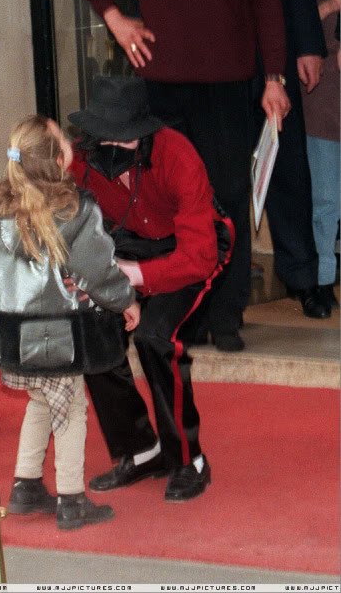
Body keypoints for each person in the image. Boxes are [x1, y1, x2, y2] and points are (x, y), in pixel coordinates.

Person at [72, 0, 290, 352]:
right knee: (168, 202)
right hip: (160, 86)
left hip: (226, 83)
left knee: (225, 195)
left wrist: (275, 78)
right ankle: (182, 313)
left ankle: (227, 314)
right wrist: (118, 22)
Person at [0, 114, 140, 530]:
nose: (70, 145)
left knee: (43, 400)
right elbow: (99, 271)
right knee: (71, 409)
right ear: (58, 161)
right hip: (56, 338)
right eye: (65, 142)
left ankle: (26, 486)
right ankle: (71, 497)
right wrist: (126, 301)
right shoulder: (74, 212)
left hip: (9, 339)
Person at [67, 75, 234, 501]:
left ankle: (188, 458)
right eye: (104, 138)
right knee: (91, 329)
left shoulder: (178, 155)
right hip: (125, 243)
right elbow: (70, 229)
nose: (111, 149)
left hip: (191, 247)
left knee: (155, 336)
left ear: (142, 135)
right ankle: (141, 450)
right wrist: (81, 273)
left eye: (123, 141)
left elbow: (201, 256)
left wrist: (136, 277)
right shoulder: (80, 162)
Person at [192, 0, 330, 321]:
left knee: (289, 173)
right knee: (222, 182)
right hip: (211, 74)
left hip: (271, 63)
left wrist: (308, 46)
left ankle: (305, 280)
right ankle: (224, 291)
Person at [303, 0, 340, 309]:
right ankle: (323, 279)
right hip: (326, 105)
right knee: (327, 199)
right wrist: (331, 4)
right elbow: (299, 30)